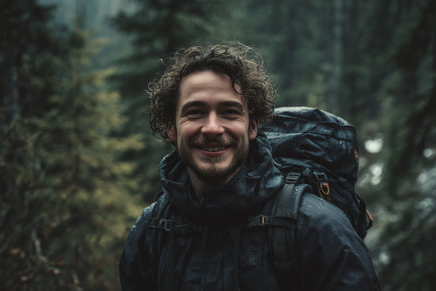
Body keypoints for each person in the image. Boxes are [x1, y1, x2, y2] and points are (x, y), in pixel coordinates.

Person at [119, 43, 378, 290]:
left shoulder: (318, 229)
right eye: (195, 112)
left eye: (229, 112)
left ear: (252, 126)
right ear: (171, 128)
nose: (211, 128)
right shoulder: (150, 233)